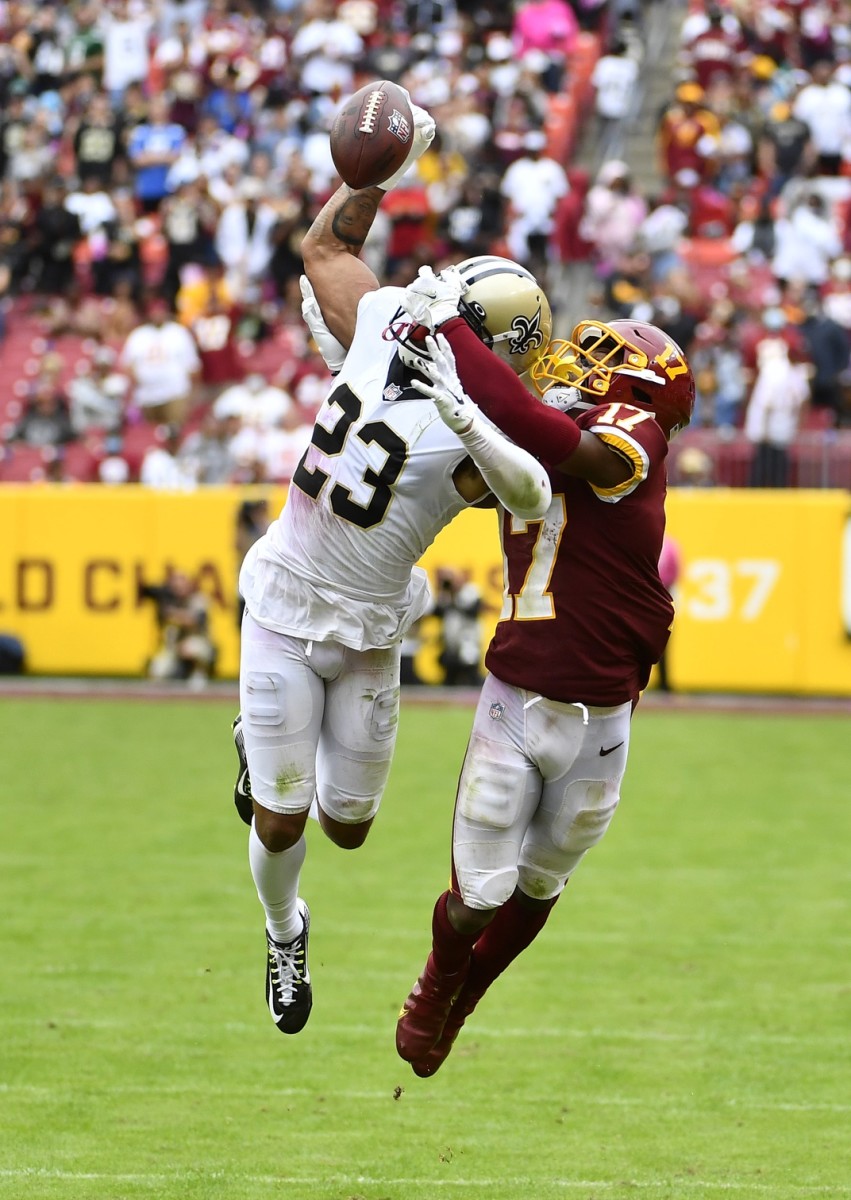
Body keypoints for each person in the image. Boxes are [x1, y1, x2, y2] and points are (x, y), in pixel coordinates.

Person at [232, 98, 558, 1038]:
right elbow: (325, 248)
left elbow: (531, 489)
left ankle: (271, 768)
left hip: (371, 620)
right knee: (285, 819)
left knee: (349, 825)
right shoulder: (385, 329)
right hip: (289, 598)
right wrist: (372, 171)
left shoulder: (469, 420)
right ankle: (283, 929)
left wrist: (377, 182)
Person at [391, 269, 695, 1077]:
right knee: (477, 895)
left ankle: (466, 997)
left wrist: (451, 332)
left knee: (542, 880)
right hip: (518, 696)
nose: (571, 363)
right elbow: (473, 452)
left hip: (604, 716)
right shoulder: (533, 431)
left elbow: (542, 428)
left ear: (638, 385)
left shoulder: (631, 436)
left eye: (596, 358)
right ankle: (438, 979)